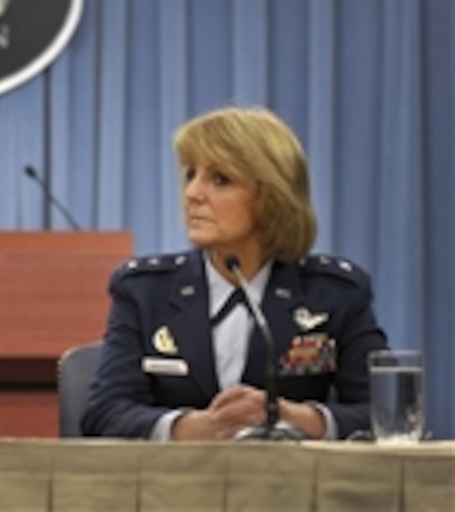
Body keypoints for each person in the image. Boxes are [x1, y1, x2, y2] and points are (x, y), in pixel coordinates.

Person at [82, 105, 387, 440]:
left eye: (220, 179)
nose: (192, 194)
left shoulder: (334, 293)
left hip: (293, 486)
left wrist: (287, 416)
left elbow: (384, 413)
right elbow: (105, 413)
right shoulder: (144, 291)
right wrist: (196, 428)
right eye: (190, 175)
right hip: (175, 486)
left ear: (272, 197)